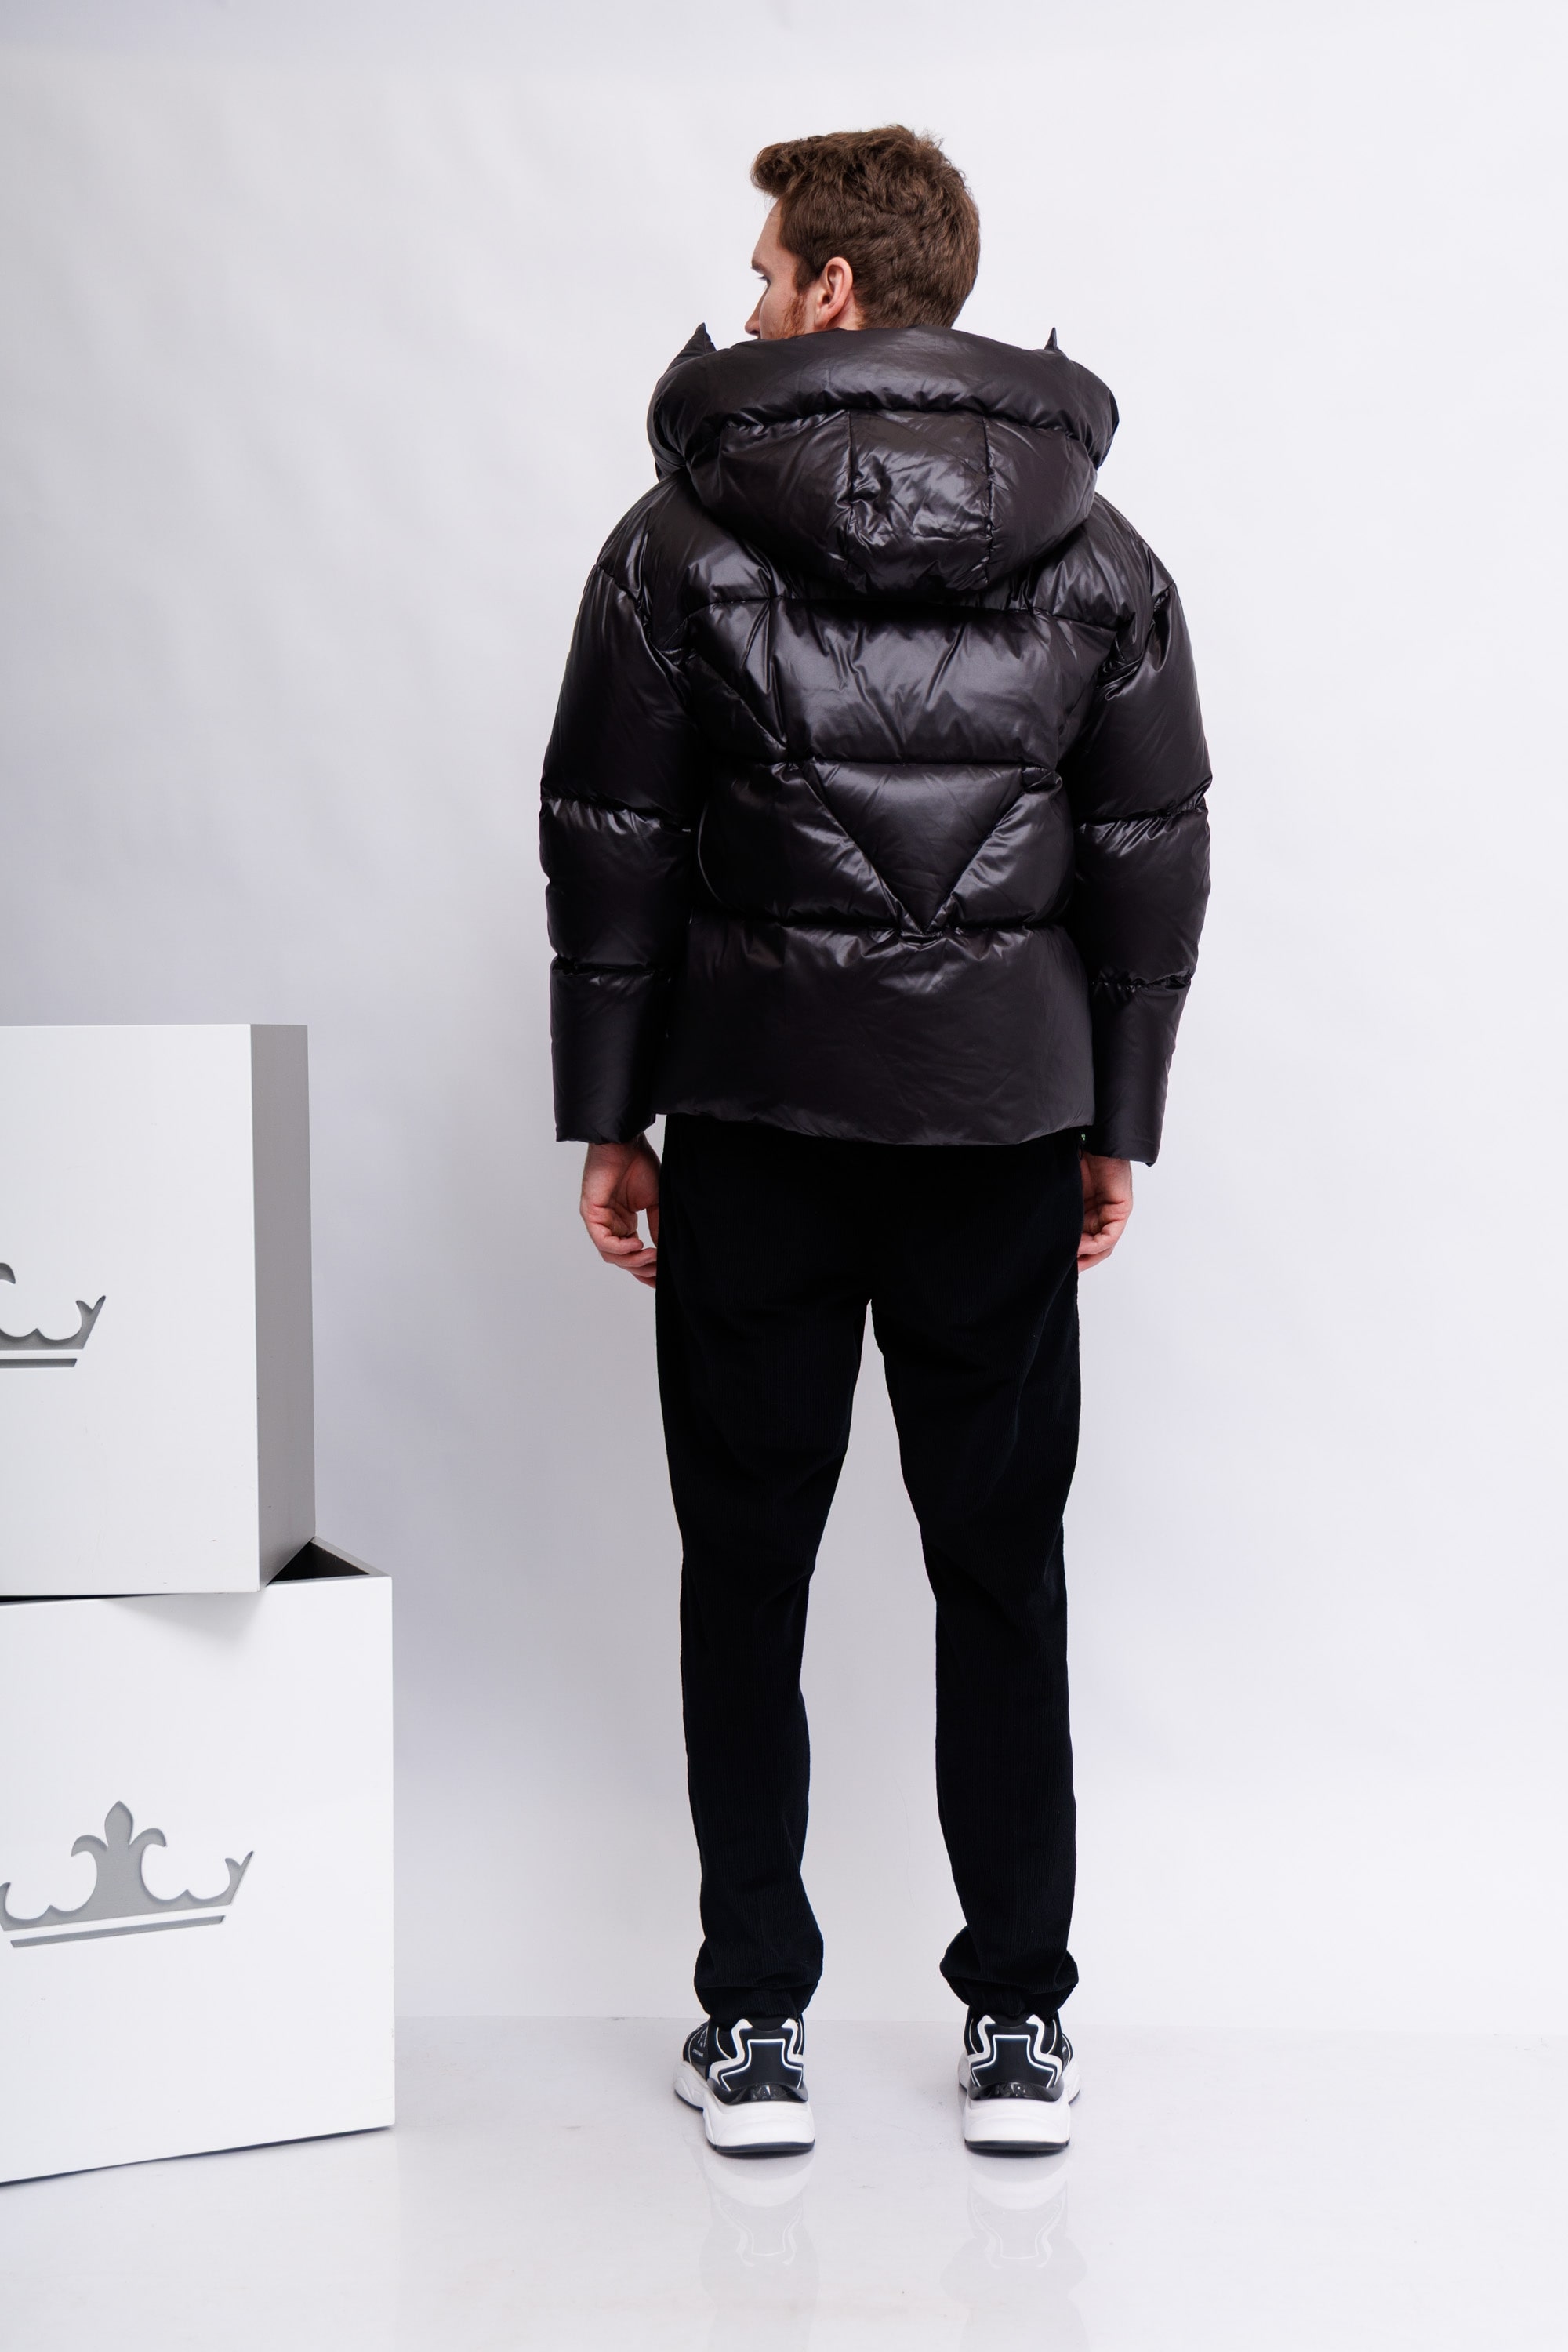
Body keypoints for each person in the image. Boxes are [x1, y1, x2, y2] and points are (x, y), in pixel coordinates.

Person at [540, 125, 1210, 2156]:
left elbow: (612, 840)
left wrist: (611, 1114)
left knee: (746, 1567)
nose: (748, 304)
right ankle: (1019, 2026)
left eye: (766, 272)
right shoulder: (1100, 550)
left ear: (835, 287)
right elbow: (1152, 852)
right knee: (1001, 1569)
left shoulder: (676, 540)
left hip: (756, 1114)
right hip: (999, 1119)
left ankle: (755, 2023)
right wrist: (1114, 1112)